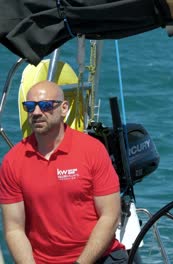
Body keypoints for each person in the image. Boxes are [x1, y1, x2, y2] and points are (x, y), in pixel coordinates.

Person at [0, 81, 127, 263]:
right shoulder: (13, 161)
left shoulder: (92, 150)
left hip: (100, 257)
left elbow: (110, 216)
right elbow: (14, 229)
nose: (36, 112)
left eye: (45, 106)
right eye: (30, 107)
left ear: (64, 108)